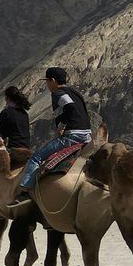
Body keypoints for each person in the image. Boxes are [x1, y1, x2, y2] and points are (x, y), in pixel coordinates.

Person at [8, 67, 94, 210]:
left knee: (36, 158)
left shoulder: (57, 93)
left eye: (47, 81)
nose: (47, 85)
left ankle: (24, 193)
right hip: (87, 135)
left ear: (52, 81)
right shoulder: (75, 92)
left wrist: (61, 125)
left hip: (72, 136)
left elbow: (70, 107)